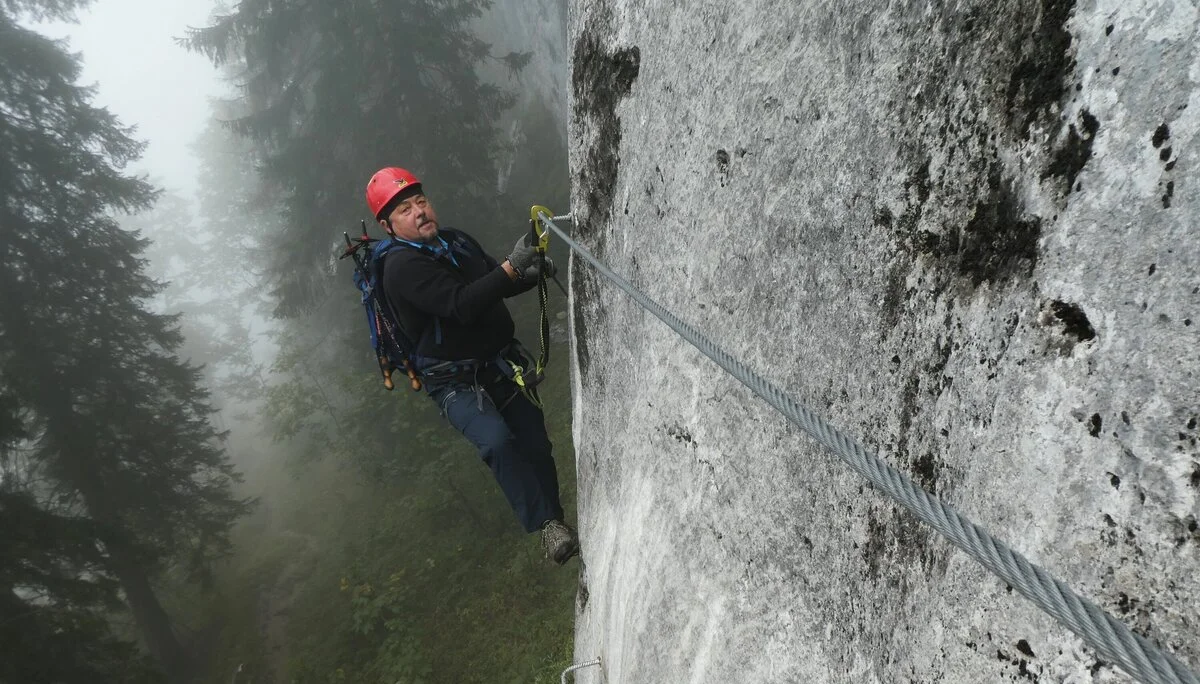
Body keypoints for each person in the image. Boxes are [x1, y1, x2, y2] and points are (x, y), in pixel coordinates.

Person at [364, 166, 579, 564]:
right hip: (454, 383)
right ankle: (546, 527)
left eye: (421, 201)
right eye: (406, 209)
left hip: (498, 363)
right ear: (388, 225)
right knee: (498, 442)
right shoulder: (401, 268)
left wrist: (529, 272)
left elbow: (490, 282)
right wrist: (512, 267)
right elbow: (460, 304)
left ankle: (557, 520)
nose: (420, 212)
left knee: (536, 444)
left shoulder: (456, 241)